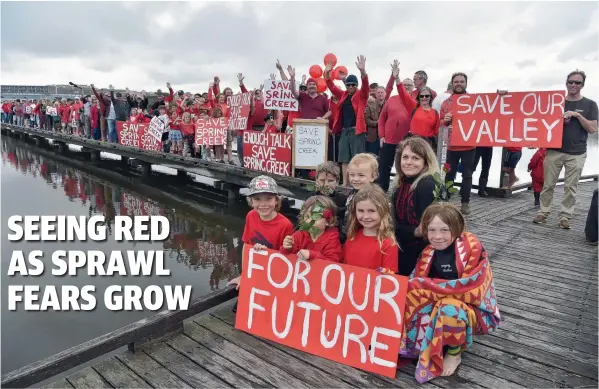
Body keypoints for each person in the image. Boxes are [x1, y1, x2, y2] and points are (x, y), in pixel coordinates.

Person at [400, 202, 500, 383]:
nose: (437, 237)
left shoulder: (473, 248)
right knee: (408, 296)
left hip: (474, 310)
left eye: (444, 230)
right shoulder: (427, 252)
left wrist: (430, 288)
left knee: (448, 308)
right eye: (432, 230)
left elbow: (472, 288)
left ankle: (454, 353)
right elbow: (415, 283)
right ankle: (419, 343)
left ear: (456, 228)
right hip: (439, 301)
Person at [534, 70, 598, 229]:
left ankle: (565, 216)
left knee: (571, 186)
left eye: (577, 82)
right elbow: (533, 116)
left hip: (577, 152)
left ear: (582, 85)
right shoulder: (556, 102)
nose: (573, 85)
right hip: (554, 151)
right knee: (548, 184)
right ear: (566, 83)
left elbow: (592, 129)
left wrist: (577, 115)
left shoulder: (590, 104)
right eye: (571, 82)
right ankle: (544, 212)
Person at [227, 176, 294, 306]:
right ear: (251, 201)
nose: (263, 204)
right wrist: (244, 275)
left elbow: (287, 258)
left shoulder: (285, 225)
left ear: (276, 200)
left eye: (268, 198)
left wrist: (267, 253)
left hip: (274, 276)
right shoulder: (250, 216)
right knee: (240, 309)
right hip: (255, 271)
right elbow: (246, 246)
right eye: (257, 199)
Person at [390, 137, 438, 276]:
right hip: (402, 246)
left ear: (425, 162)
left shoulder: (426, 185)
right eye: (405, 157)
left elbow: (423, 231)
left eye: (415, 158)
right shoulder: (401, 184)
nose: (409, 162)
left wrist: (407, 231)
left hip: (420, 254)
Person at [324, 55, 370, 186]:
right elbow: (331, 86)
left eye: (353, 85)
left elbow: (366, 86)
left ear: (356, 85)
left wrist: (362, 71)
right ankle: (344, 184)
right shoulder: (343, 95)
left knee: (356, 159)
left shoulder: (362, 95)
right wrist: (327, 72)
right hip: (344, 131)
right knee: (344, 159)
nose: (350, 87)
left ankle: (357, 183)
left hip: (357, 131)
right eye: (348, 84)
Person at [439, 73, 475, 215]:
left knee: (467, 175)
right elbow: (440, 124)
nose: (459, 84)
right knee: (449, 175)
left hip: (469, 146)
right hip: (451, 146)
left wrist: (501, 94)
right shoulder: (446, 103)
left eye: (461, 81)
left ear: (466, 83)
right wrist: (445, 121)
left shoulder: (475, 102)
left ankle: (465, 203)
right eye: (456, 82)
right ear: (452, 83)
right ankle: (446, 201)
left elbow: (488, 114)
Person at [343, 185, 398, 273]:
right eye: (361, 211)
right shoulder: (352, 237)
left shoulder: (388, 244)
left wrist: (386, 273)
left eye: (371, 211)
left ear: (383, 211)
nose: (365, 216)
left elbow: (390, 279)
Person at [378, 60, 411, 192]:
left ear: (413, 88)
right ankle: (382, 192)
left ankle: (401, 192)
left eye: (410, 85)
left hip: (406, 142)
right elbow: (381, 119)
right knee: (384, 167)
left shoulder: (415, 101)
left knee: (404, 168)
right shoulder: (391, 99)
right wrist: (381, 136)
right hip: (389, 140)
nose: (407, 87)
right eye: (405, 84)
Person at [280, 196, 342, 263]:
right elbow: (286, 257)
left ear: (329, 221)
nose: (310, 221)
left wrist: (312, 255)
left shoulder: (332, 239)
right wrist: (287, 248)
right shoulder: (298, 235)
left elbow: (333, 262)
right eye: (307, 216)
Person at [341, 153, 378, 242]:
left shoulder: (373, 197)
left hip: (361, 237)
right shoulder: (353, 192)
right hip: (347, 234)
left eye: (361, 175)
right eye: (352, 175)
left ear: (373, 176)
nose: (355, 179)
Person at [396, 75, 440, 149]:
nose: (424, 98)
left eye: (427, 96)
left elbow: (437, 132)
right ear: (418, 97)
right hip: (414, 142)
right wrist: (396, 77)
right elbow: (403, 94)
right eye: (422, 96)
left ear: (430, 97)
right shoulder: (414, 107)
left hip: (427, 144)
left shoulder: (435, 112)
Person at [364, 86, 386, 156]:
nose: (380, 94)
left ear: (385, 94)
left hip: (386, 136)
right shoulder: (370, 105)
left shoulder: (389, 105)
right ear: (375, 94)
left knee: (384, 157)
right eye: (378, 92)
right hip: (373, 137)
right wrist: (377, 123)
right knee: (373, 157)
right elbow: (367, 120)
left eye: (382, 92)